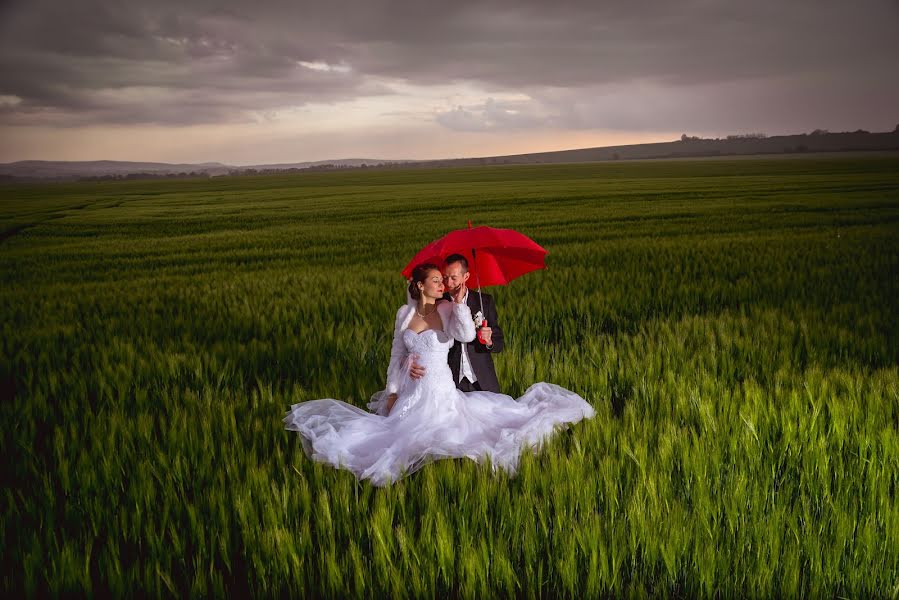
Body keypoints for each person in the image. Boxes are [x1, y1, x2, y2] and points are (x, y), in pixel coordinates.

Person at [283, 263, 594, 487]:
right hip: (412, 389)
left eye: (443, 279)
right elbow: (396, 355)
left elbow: (465, 334)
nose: (442, 284)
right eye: (435, 280)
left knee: (454, 432)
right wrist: (393, 390)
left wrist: (459, 306)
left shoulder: (447, 309)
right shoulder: (403, 315)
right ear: (420, 285)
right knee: (396, 437)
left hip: (442, 387)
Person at [409, 254, 503, 392]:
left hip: (483, 380)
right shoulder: (438, 303)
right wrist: (409, 362)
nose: (448, 283)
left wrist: (489, 341)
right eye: (445, 278)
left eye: (453, 278)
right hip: (451, 381)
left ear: (466, 277)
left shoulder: (484, 302)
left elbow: (499, 343)